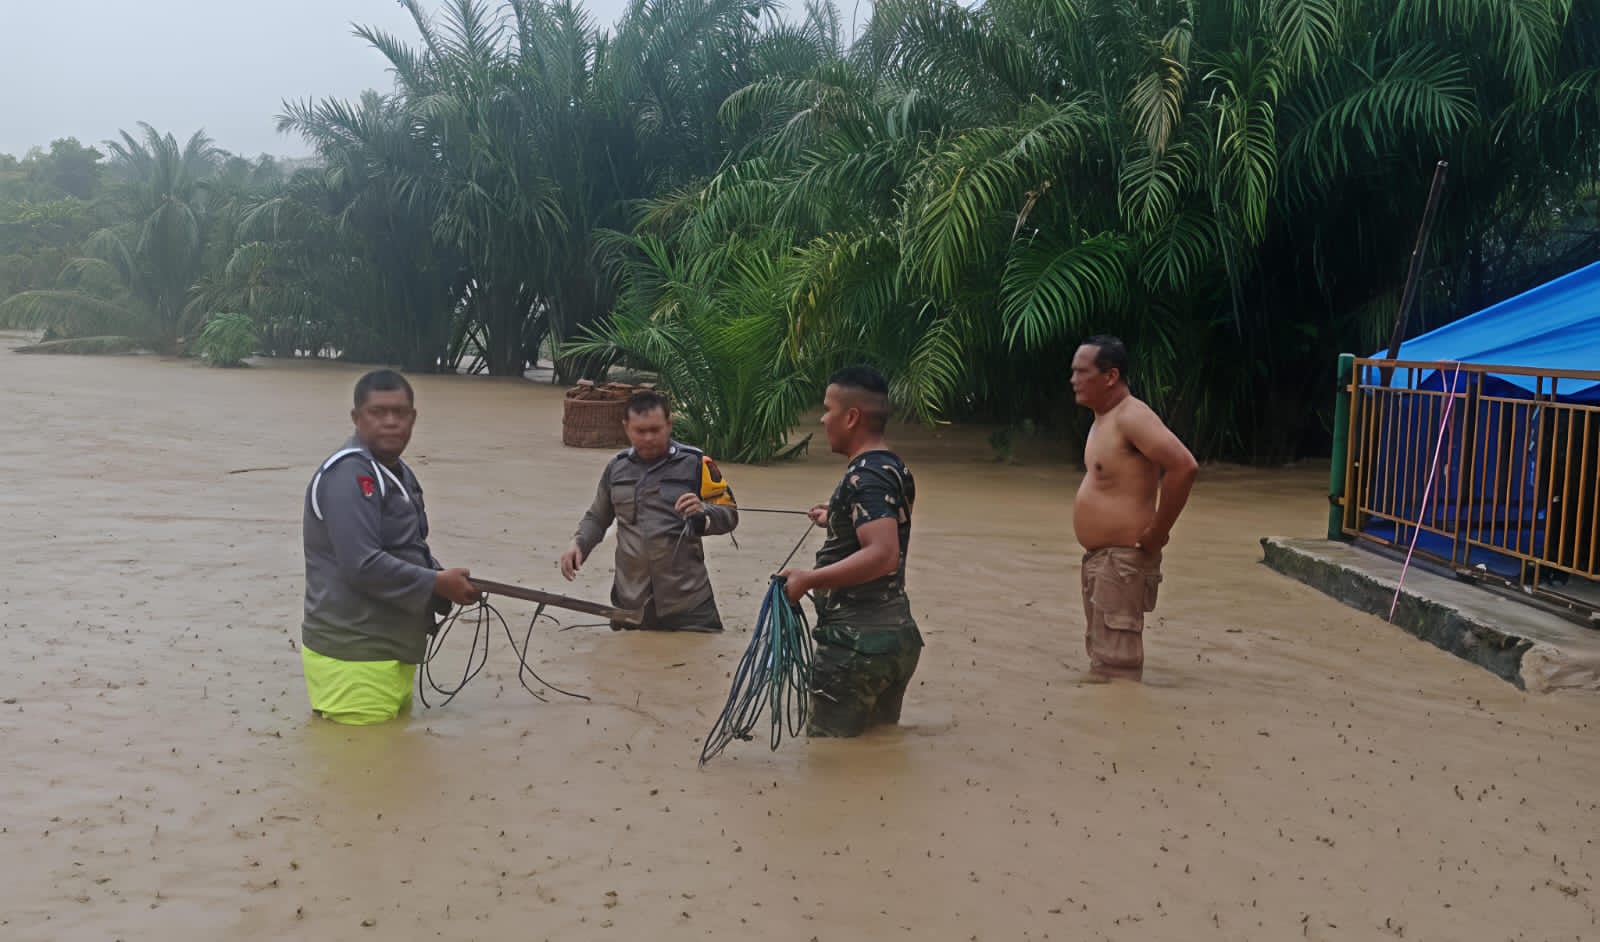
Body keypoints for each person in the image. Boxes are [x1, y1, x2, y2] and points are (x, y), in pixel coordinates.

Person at [300, 369, 481, 725]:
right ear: (357, 418)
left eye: (400, 413)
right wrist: (437, 583)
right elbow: (362, 564)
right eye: (378, 412)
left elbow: (404, 547)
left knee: (392, 763)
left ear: (413, 419)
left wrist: (441, 578)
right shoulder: (349, 476)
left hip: (387, 649)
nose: (390, 422)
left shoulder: (395, 472)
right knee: (364, 770)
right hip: (355, 653)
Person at [779, 366, 921, 737]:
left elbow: (882, 554)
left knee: (831, 762)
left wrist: (807, 579)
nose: (823, 419)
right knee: (875, 753)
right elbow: (883, 523)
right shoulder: (890, 466)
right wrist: (837, 517)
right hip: (894, 641)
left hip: (856, 647)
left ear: (852, 417)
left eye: (828, 409)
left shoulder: (865, 477)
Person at [1071, 336, 1198, 681]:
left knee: (1116, 673)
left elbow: (1183, 467)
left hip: (1122, 561)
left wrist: (1159, 532)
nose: (1074, 380)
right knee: (1103, 665)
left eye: (1082, 372)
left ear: (1110, 376)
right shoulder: (1104, 418)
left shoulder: (1132, 417)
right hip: (1104, 562)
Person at [559, 390, 739, 631]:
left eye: (656, 430)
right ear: (626, 427)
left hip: (689, 605)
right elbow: (598, 518)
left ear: (669, 425)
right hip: (631, 604)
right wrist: (578, 544)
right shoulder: (617, 468)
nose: (649, 438)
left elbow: (729, 514)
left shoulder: (696, 464)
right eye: (640, 431)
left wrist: (703, 514)